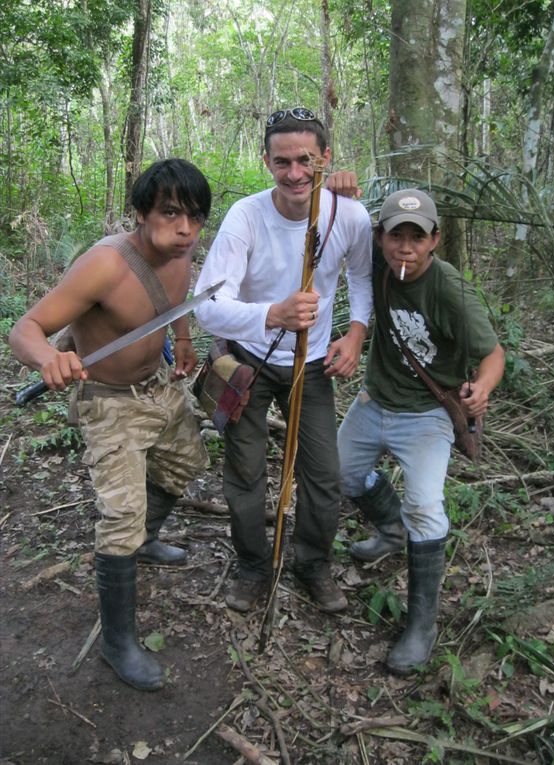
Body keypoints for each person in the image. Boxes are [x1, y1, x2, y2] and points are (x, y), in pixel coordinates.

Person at [9, 158, 212, 691]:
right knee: (121, 514)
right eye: (170, 213)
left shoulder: (182, 253)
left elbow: (175, 305)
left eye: (194, 217)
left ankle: (144, 539)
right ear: (141, 212)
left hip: (158, 388)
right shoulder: (104, 265)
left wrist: (185, 340)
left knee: (186, 463)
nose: (185, 229)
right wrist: (46, 359)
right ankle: (117, 641)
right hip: (109, 400)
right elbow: (25, 328)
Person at [193, 107, 373, 613]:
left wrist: (356, 333)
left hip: (312, 364)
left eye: (305, 160)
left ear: (325, 159)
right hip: (248, 361)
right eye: (282, 161)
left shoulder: (348, 215)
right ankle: (253, 566)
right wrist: (272, 314)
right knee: (245, 471)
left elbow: (361, 276)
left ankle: (312, 564)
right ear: (267, 162)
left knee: (323, 474)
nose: (294, 173)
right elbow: (207, 305)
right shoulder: (247, 217)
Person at [337, 188, 505, 675]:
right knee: (344, 476)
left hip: (429, 413)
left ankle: (421, 624)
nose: (404, 248)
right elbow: (338, 218)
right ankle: (390, 530)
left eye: (416, 237)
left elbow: (493, 354)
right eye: (396, 236)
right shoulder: (377, 257)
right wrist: (335, 184)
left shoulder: (449, 290)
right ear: (381, 238)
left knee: (425, 509)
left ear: (435, 239)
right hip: (375, 400)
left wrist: (483, 388)